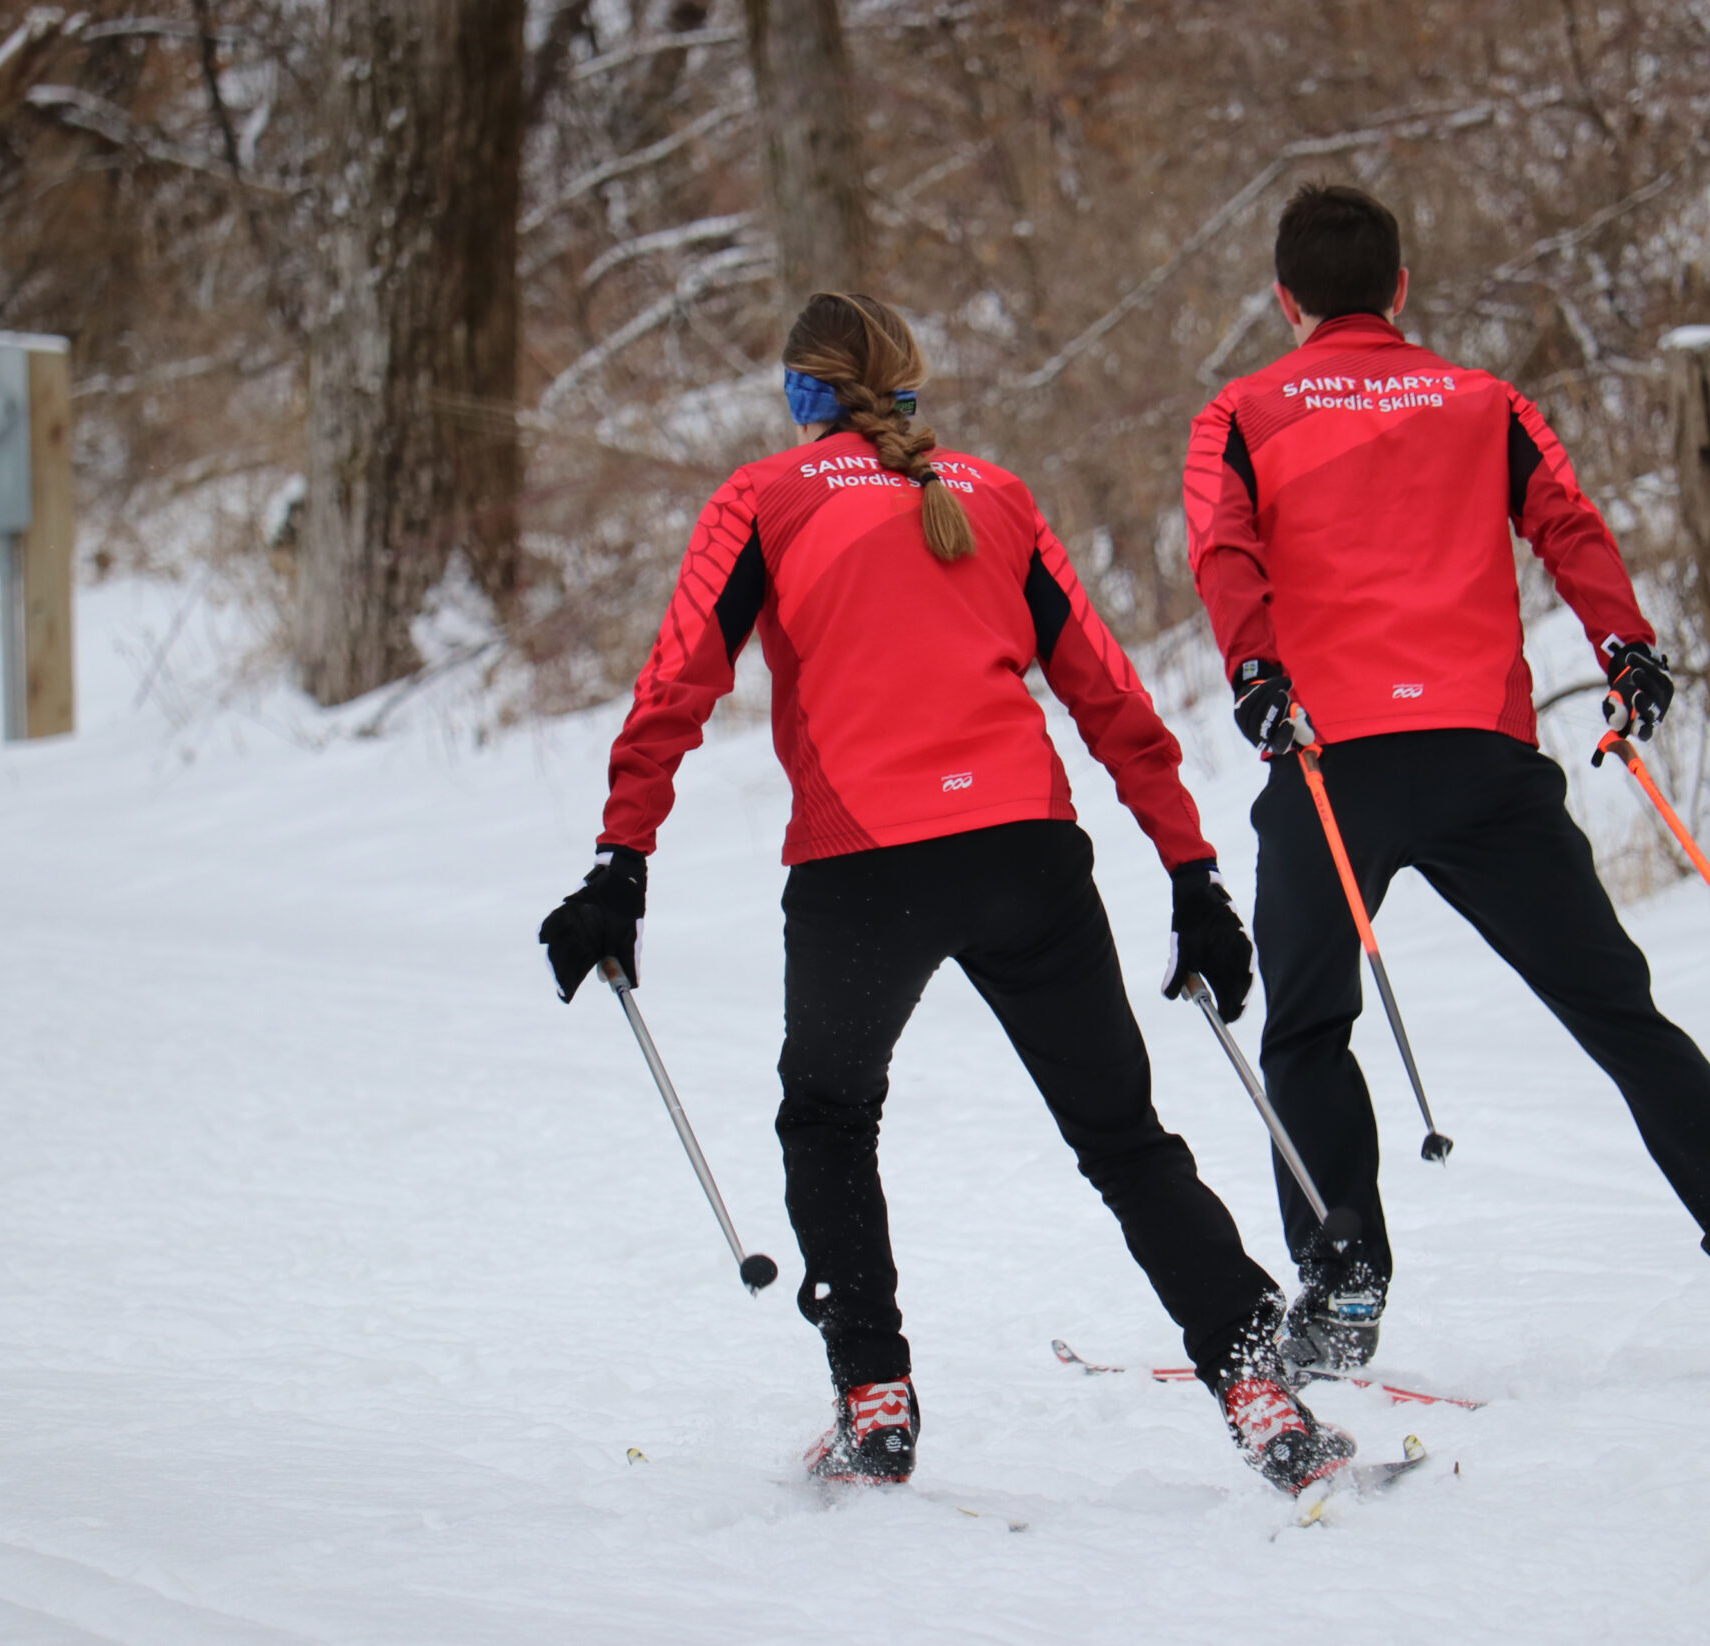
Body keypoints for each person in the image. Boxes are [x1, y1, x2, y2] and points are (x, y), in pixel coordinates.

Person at [538, 293, 1354, 1494]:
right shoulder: (996, 494)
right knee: (1124, 1141)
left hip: (862, 866)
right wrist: (1193, 876)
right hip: (1027, 851)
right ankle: (1257, 1388)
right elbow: (1114, 703)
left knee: (827, 1116)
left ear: (801, 393)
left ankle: (875, 1395)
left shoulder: (760, 499)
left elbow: (675, 688)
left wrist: (622, 862)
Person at [1180, 185, 1710, 1374]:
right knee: (1619, 1016)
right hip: (1483, 762)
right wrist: (1625, 646)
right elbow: (1566, 520)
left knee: (1308, 1026)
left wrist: (1254, 671)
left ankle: (1344, 1284)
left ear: (1283, 299)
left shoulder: (1240, 413)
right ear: (1401, 289)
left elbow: (1223, 547)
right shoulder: (1482, 401)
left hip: (1327, 759)